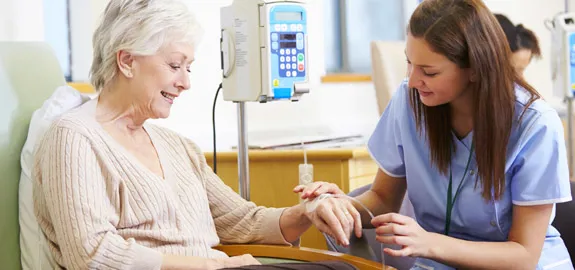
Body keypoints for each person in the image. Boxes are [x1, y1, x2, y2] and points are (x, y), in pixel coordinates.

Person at [32, 0, 360, 269]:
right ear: (127, 61)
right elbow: (92, 255)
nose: (185, 83)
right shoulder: (74, 139)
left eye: (188, 68)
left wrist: (306, 212)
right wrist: (210, 266)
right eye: (175, 65)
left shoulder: (179, 148)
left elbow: (244, 221)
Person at [295, 0, 573, 269]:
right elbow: (382, 198)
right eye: (410, 63)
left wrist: (428, 243)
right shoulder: (410, 101)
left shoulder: (534, 125)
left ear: (475, 69)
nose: (414, 81)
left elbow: (523, 256)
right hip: (438, 262)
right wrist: (339, 205)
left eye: (429, 71)